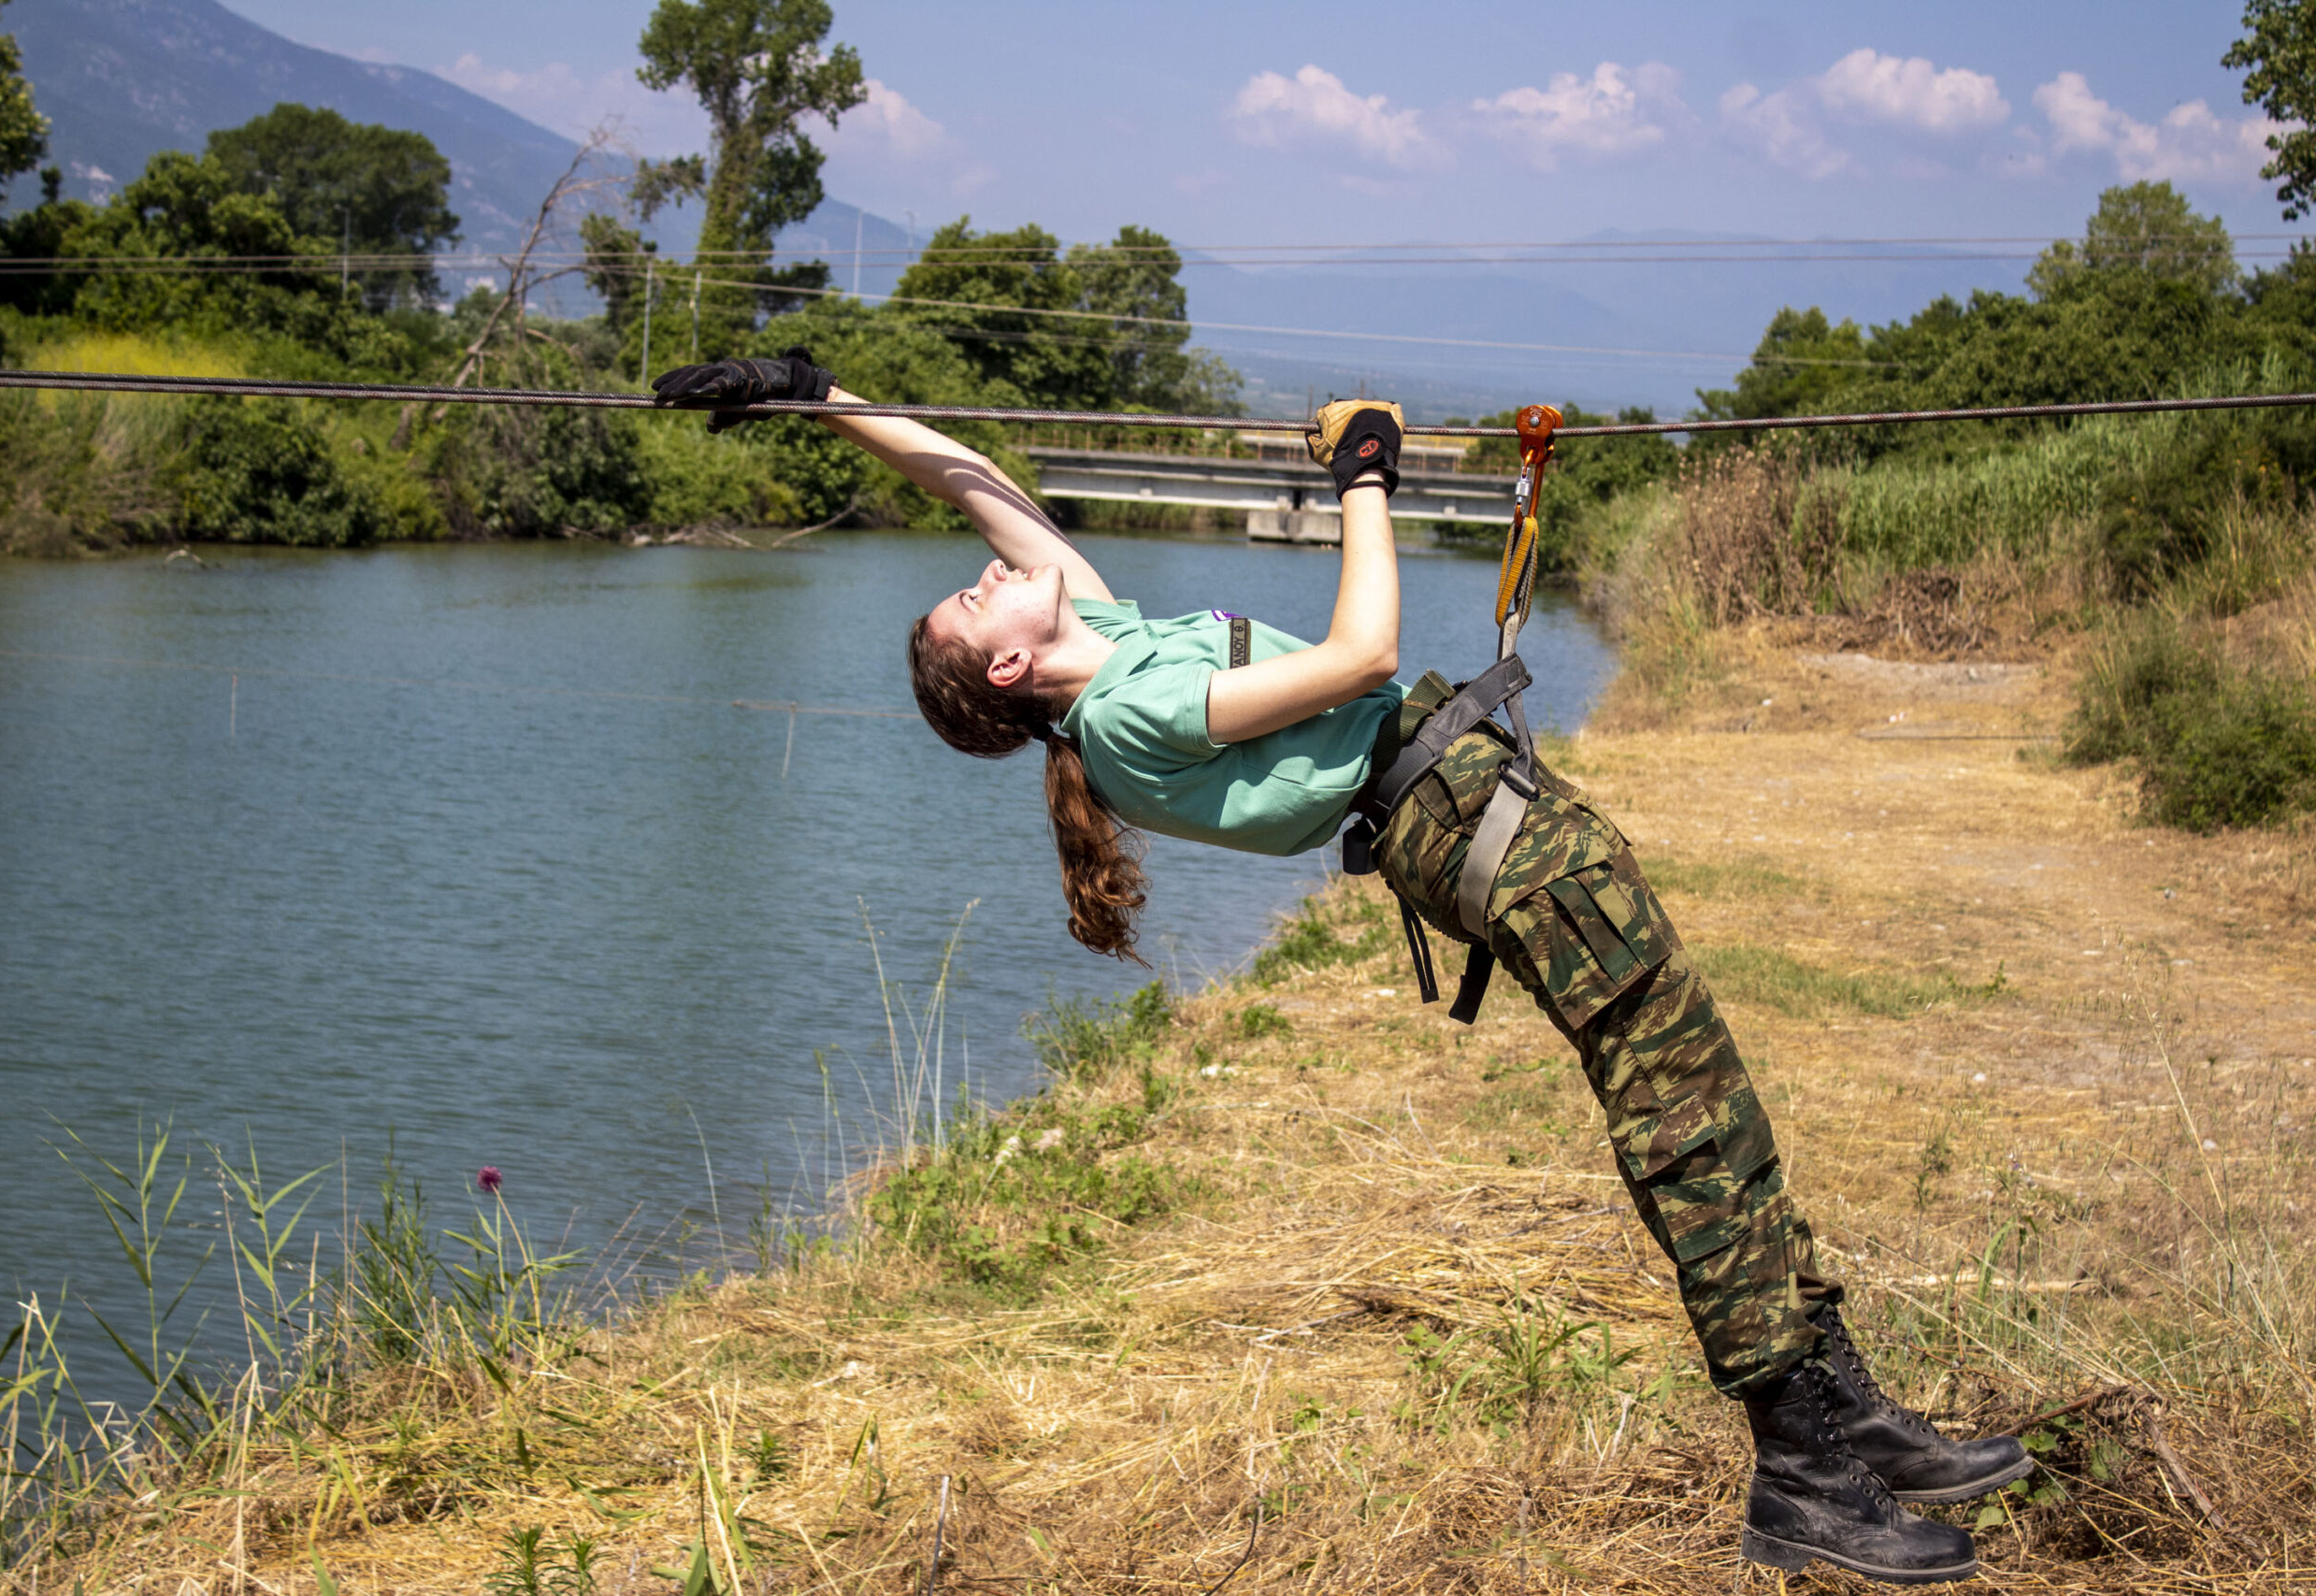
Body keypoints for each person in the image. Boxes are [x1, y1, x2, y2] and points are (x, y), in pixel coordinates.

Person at [653, 353, 2032, 1586]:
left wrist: (817, 397)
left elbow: (971, 481)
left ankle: (1842, 1410)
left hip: (1479, 803)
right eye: (973, 601)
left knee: (1706, 1094)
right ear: (1011, 665)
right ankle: (1801, 1462)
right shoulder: (1127, 715)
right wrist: (1368, 471)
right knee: (1682, 1114)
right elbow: (1362, 653)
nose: (989, 568)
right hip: (1472, 827)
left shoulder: (1109, 638)